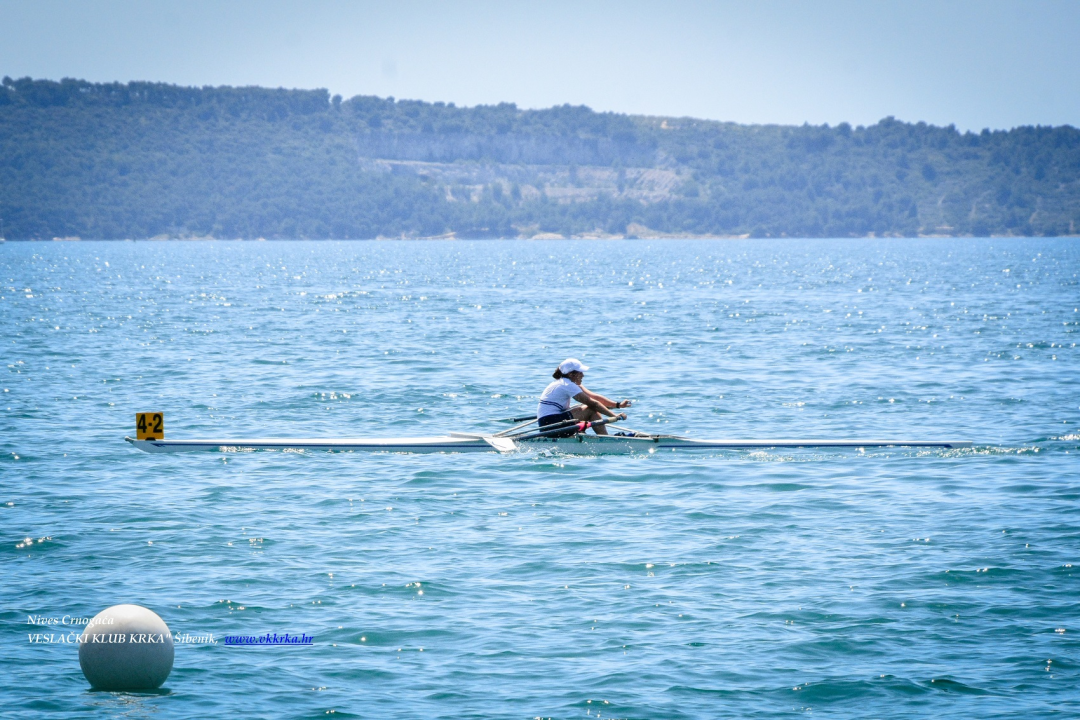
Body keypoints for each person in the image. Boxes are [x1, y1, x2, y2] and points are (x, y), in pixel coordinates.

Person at [536, 358, 631, 436]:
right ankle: (606, 439)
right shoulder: (566, 385)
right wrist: (614, 416)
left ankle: (601, 437)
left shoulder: (565, 382)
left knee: (588, 408)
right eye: (580, 372)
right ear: (571, 374)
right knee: (590, 409)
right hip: (550, 424)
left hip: (549, 422)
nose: (583, 375)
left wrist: (618, 405)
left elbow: (595, 398)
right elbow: (593, 403)